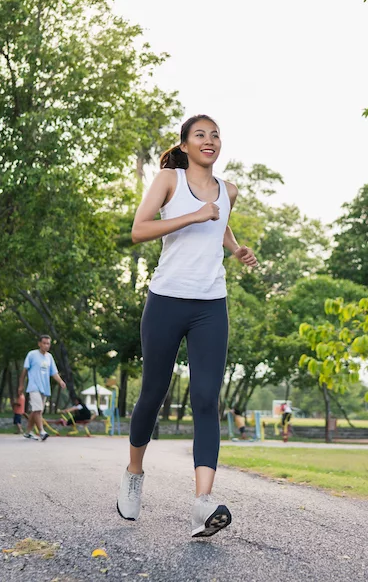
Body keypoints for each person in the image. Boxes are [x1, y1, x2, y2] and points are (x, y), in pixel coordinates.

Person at [116, 115, 258, 538]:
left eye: (215, 134)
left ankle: (202, 504)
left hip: (211, 305)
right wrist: (192, 217)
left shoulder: (228, 190)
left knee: (205, 397)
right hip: (166, 300)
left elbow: (222, 219)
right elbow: (139, 230)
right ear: (185, 144)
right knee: (153, 394)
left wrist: (235, 248)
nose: (210, 140)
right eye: (201, 134)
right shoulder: (168, 179)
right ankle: (134, 472)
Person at [18, 335, 66, 441]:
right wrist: (21, 385)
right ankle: (42, 432)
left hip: (45, 388)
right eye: (44, 343)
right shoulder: (32, 354)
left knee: (36, 411)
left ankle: (28, 432)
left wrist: (60, 381)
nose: (46, 345)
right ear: (39, 344)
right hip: (34, 386)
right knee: (38, 409)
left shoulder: (49, 357)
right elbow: (24, 371)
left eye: (48, 343)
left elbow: (54, 373)